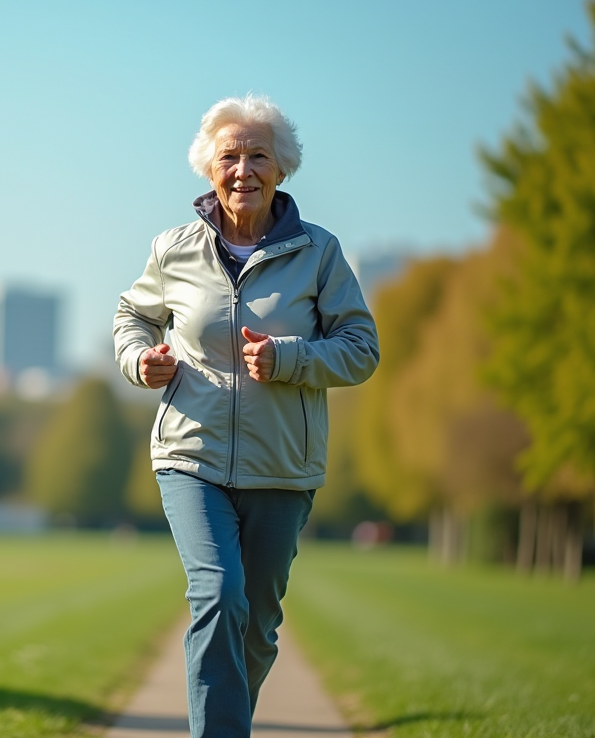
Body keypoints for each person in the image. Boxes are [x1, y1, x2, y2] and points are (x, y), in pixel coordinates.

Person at [113, 94, 379, 737]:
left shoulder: (319, 253)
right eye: (229, 156)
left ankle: (228, 716)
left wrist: (288, 359)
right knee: (218, 595)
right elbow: (133, 317)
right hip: (190, 455)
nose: (243, 169)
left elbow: (361, 349)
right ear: (209, 167)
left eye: (258, 155)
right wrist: (138, 360)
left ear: (282, 168)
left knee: (256, 626)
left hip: (282, 465)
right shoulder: (173, 248)